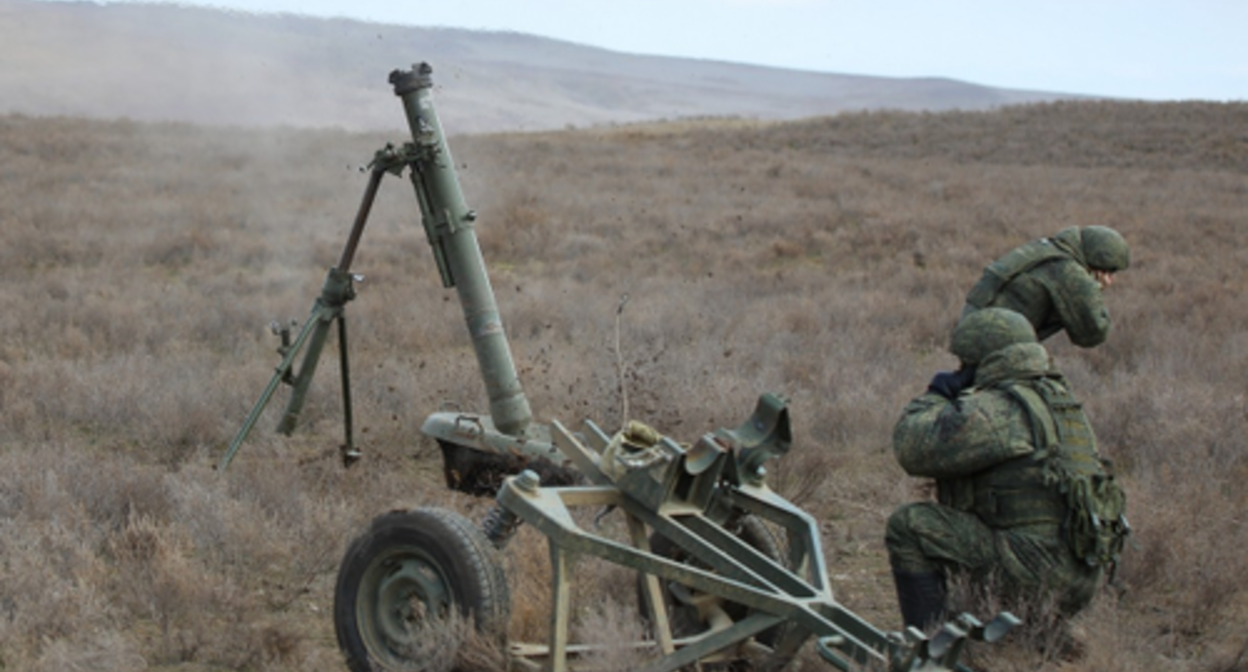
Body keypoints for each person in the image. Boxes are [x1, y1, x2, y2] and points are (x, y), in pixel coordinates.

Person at [885, 308, 1129, 631]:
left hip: (1037, 570)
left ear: (979, 361)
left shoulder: (1001, 408)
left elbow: (911, 448)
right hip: (1083, 574)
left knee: (910, 526)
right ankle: (1036, 634)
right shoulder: (1061, 402)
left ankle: (928, 651)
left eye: (965, 363)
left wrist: (937, 394)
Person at [961, 225, 1130, 347]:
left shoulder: (1049, 249)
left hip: (974, 330)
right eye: (1108, 272)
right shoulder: (1068, 270)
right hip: (993, 339)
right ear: (1096, 263)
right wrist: (1094, 288)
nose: (1110, 280)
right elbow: (1093, 332)